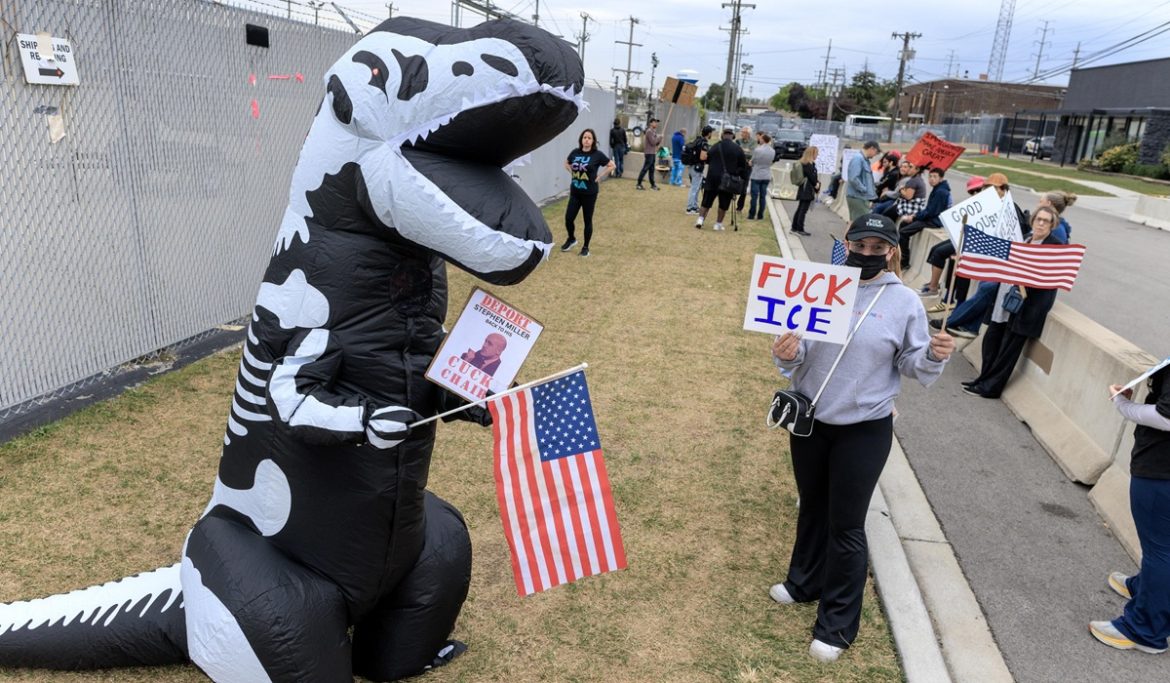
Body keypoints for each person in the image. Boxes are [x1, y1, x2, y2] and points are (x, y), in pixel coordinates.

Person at [770, 213, 954, 663]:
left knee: (847, 524)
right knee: (812, 504)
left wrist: (933, 353)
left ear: (892, 251)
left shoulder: (906, 302)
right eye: (859, 245)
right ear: (847, 243)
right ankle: (804, 581)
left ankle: (837, 625)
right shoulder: (822, 286)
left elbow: (913, 364)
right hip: (812, 421)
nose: (866, 254)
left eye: (878, 248)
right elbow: (801, 352)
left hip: (865, 429)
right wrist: (787, 352)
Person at [1090, 363, 1170, 655]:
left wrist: (1124, 405)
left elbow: (1167, 415)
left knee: (1160, 550)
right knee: (1162, 549)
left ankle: (1145, 629)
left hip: (1162, 469)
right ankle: (1146, 590)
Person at [962, 206, 1063, 399]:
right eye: (1038, 219)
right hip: (1004, 302)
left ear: (1052, 225)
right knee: (991, 340)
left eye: (1046, 221)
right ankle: (982, 379)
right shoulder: (1024, 239)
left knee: (1007, 351)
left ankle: (991, 388)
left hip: (1026, 308)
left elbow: (1049, 280)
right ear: (1033, 220)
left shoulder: (1054, 247)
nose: (1041, 223)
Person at [927, 172, 1031, 338]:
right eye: (986, 188)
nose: (988, 192)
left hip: (1005, 263)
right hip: (990, 258)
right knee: (982, 285)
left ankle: (951, 321)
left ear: (1003, 190)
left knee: (986, 288)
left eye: (992, 188)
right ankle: (971, 326)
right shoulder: (989, 206)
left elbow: (1013, 239)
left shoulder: (1012, 209)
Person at [920, 175, 984, 301]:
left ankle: (937, 290)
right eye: (973, 192)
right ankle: (935, 285)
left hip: (972, 242)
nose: (975, 194)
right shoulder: (976, 203)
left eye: (978, 191)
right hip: (963, 237)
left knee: (943, 254)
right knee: (935, 249)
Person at [562, 128, 615, 257]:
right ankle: (571, 239)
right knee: (569, 218)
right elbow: (567, 163)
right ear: (581, 139)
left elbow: (612, 165)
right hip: (575, 192)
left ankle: (586, 247)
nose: (586, 140)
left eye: (589, 138)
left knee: (587, 220)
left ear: (593, 141)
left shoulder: (597, 155)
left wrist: (600, 176)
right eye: (584, 137)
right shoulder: (575, 152)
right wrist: (572, 172)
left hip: (589, 193)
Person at [898, 166, 952, 270]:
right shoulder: (938, 189)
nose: (931, 179)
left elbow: (931, 212)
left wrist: (914, 217)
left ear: (941, 178)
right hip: (930, 218)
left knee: (903, 232)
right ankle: (898, 255)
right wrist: (914, 216)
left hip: (934, 222)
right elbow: (928, 210)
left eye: (935, 177)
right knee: (904, 224)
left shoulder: (941, 192)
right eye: (930, 176)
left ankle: (904, 262)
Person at [694, 127, 747, 232]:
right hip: (727, 180)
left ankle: (700, 220)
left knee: (707, 200)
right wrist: (738, 175)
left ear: (722, 135)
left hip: (712, 177)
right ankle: (718, 224)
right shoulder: (737, 148)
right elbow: (743, 166)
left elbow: (707, 159)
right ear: (732, 136)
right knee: (723, 203)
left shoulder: (715, 146)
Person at [845, 140, 881, 220]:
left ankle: (848, 233)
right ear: (872, 148)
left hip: (857, 196)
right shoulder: (858, 159)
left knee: (854, 222)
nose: (875, 155)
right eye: (876, 152)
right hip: (858, 196)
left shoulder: (862, 159)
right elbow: (853, 178)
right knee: (861, 222)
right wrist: (864, 189)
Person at [790, 145, 820, 236]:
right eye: (816, 153)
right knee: (803, 210)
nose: (817, 155)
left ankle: (794, 227)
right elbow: (812, 178)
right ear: (812, 154)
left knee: (800, 209)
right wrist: (816, 184)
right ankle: (800, 228)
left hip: (803, 188)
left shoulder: (804, 163)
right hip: (807, 189)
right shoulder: (808, 165)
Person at [686, 126, 715, 215]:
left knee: (696, 187)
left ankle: (694, 206)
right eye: (711, 133)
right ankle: (690, 208)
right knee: (694, 188)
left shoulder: (697, 140)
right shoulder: (704, 143)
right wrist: (709, 156)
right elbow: (702, 157)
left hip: (692, 166)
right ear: (709, 133)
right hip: (697, 168)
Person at [748, 132, 774, 220]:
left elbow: (753, 161)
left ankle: (752, 214)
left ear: (763, 139)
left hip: (756, 174)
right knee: (763, 196)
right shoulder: (772, 151)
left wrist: (750, 163)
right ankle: (760, 215)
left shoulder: (758, 150)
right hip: (766, 174)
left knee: (754, 196)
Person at [636, 118, 661, 191]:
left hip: (652, 153)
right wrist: (659, 138)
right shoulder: (649, 131)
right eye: (655, 122)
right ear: (651, 123)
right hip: (649, 153)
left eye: (656, 122)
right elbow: (653, 142)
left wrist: (660, 139)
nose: (656, 124)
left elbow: (656, 143)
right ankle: (639, 184)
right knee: (645, 169)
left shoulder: (654, 132)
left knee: (652, 170)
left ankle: (653, 185)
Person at [735, 127, 755, 213]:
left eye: (743, 132)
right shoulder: (738, 141)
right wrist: (745, 150)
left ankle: (740, 207)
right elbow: (735, 151)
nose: (741, 133)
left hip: (747, 166)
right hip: (737, 165)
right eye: (741, 132)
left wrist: (742, 150)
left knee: (744, 187)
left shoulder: (753, 142)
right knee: (732, 182)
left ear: (748, 134)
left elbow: (752, 153)